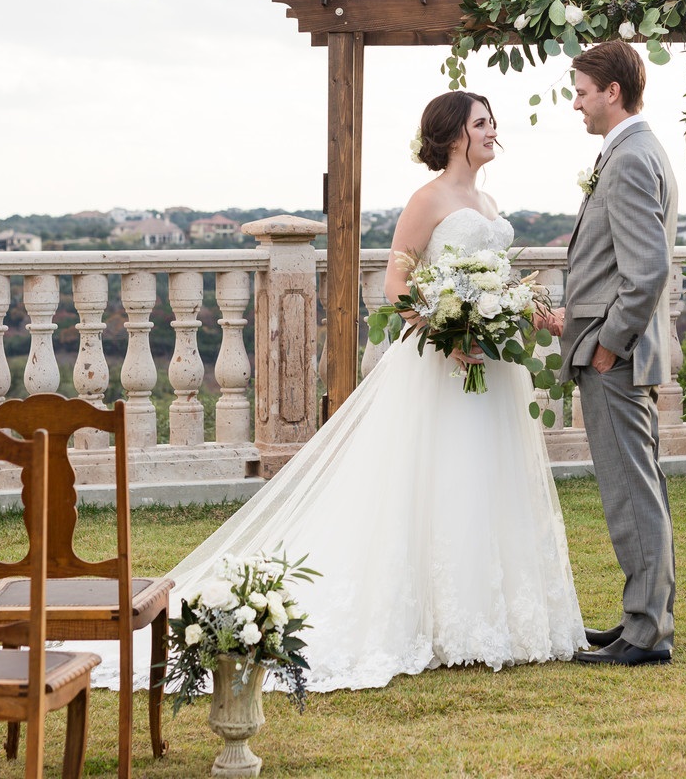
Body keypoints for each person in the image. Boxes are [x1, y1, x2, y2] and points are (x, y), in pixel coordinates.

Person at [84, 90, 585, 692]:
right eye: (481, 123)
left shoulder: (489, 200)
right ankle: (442, 620)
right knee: (445, 476)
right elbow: (398, 285)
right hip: (444, 364)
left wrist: (526, 311)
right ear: (453, 135)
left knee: (489, 476)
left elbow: (500, 278)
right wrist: (449, 328)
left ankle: (491, 619)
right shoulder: (427, 201)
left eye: (491, 122)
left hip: (495, 366)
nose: (491, 131)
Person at [545, 40, 679, 667]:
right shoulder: (635, 150)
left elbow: (647, 271)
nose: (576, 103)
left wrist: (605, 345)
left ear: (612, 92)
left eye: (580, 91)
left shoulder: (628, 158)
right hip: (616, 349)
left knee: (631, 492)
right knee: (638, 487)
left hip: (617, 359)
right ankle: (641, 618)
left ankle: (647, 633)